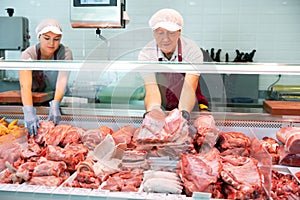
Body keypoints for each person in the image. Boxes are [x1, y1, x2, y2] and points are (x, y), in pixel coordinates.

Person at [138, 8, 208, 120]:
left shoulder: (192, 50)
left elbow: (189, 86)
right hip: (162, 107)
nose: (165, 39)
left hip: (189, 107)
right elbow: (151, 88)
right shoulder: (147, 53)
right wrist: (154, 111)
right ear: (154, 33)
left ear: (179, 32)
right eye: (160, 33)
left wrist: (183, 114)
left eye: (171, 33)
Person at [19, 18, 73, 135]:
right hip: (36, 101)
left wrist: (55, 103)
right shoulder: (29, 54)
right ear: (39, 37)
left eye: (56, 39)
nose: (51, 43)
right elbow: (25, 86)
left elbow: (62, 81)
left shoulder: (64, 53)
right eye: (47, 38)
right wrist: (28, 111)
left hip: (58, 99)